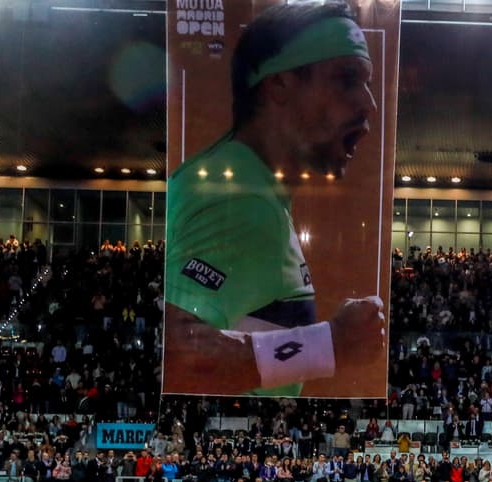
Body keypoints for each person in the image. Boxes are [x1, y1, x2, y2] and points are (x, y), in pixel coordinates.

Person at [163, 0, 386, 395]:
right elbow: (178, 357)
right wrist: (330, 343)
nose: (368, 103)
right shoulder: (238, 203)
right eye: (347, 78)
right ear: (279, 83)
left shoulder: (247, 184)